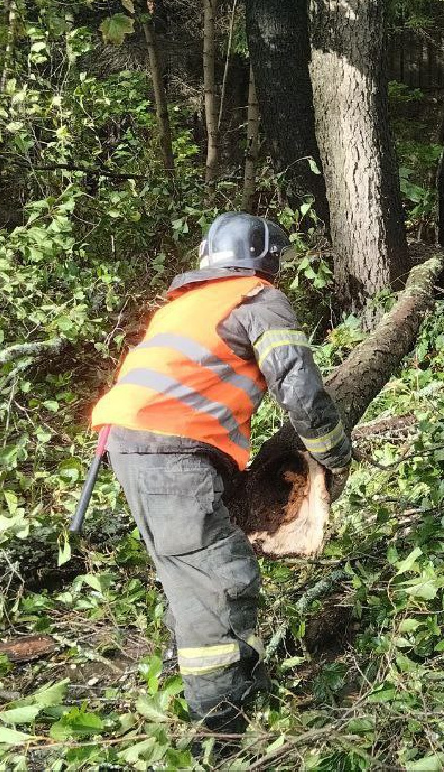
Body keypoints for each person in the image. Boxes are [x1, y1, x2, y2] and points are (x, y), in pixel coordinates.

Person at [89, 213, 352, 730]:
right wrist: (335, 453)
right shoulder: (256, 298)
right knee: (221, 576)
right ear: (267, 259)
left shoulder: (184, 306)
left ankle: (185, 672)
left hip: (129, 446)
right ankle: (221, 721)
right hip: (172, 451)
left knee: (185, 569)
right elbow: (298, 387)